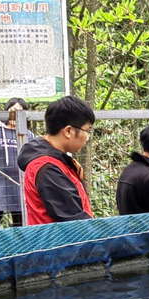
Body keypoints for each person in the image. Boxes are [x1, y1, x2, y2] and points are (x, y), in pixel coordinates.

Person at [17, 95, 95, 225]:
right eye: (87, 131)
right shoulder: (48, 168)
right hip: (61, 244)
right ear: (68, 131)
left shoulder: (56, 162)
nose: (87, 137)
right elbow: (75, 221)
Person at [0, 97, 35, 230]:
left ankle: (19, 249)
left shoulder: (29, 135)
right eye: (13, 110)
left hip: (19, 183)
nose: (16, 114)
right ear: (7, 111)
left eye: (20, 111)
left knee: (20, 222)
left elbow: (32, 158)